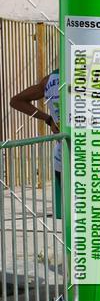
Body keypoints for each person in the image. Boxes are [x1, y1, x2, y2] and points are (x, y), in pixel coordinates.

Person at [10, 69, 62, 216]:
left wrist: (48, 119)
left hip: (62, 153)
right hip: (91, 150)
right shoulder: (88, 75)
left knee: (67, 213)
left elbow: (16, 101)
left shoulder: (50, 80)